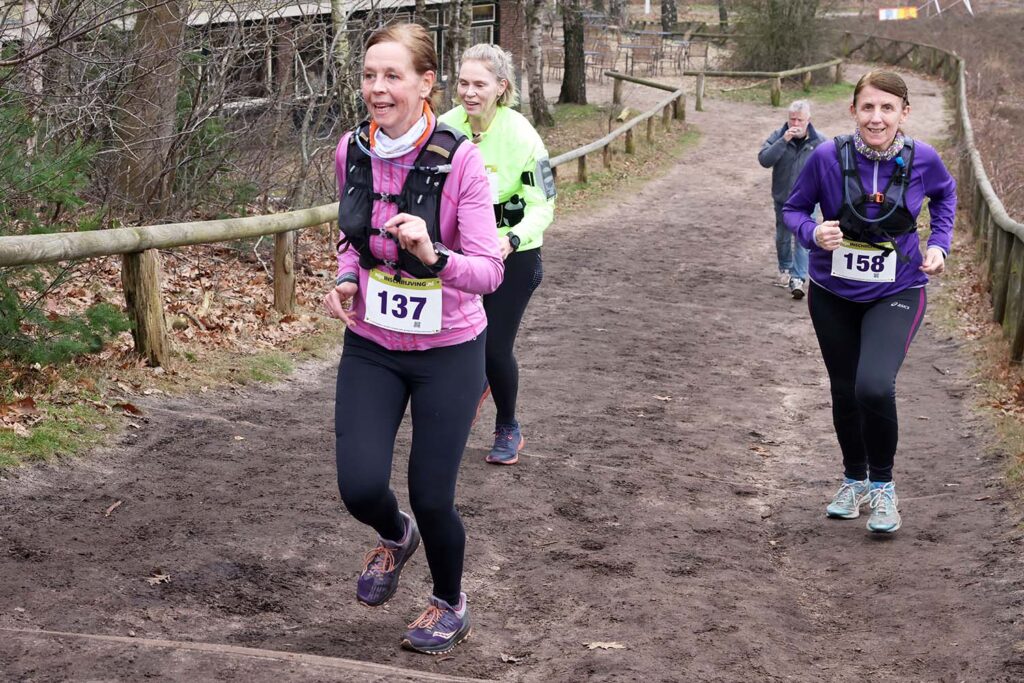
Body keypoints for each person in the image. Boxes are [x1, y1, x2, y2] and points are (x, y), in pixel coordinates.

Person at [323, 23, 503, 654]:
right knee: (360, 486)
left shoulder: (461, 161)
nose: (377, 88)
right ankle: (394, 535)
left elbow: (489, 270)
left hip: (449, 350)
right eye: (370, 75)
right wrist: (347, 279)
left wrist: (434, 255)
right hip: (372, 341)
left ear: (426, 84)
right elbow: (350, 233)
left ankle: (448, 602)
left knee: (433, 494)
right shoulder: (352, 148)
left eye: (392, 75)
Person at [783, 70, 957, 533]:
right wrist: (812, 232)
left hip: (897, 289)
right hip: (833, 291)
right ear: (853, 111)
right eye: (867, 107)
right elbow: (793, 209)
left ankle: (883, 488)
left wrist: (939, 244)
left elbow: (945, 196)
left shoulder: (924, 159)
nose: (876, 118)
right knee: (844, 388)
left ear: (904, 113)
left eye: (886, 108)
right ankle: (853, 480)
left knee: (873, 385)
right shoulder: (826, 157)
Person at [439, 44, 556, 465]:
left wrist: (512, 240)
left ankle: (508, 425)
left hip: (513, 253)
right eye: (464, 83)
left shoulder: (522, 133)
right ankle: (465, 397)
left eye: (480, 85)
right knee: (453, 341)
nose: (469, 93)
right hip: (459, 253)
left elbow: (543, 204)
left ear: (501, 87)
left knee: (492, 347)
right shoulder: (444, 128)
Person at [758, 100, 827, 300]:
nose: (795, 123)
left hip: (808, 201)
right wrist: (783, 141)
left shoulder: (820, 142)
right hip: (783, 198)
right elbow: (764, 160)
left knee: (803, 238)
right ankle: (785, 268)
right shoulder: (778, 136)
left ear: (808, 120)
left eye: (800, 120)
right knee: (782, 236)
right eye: (792, 119)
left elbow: (831, 168)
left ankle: (798, 279)